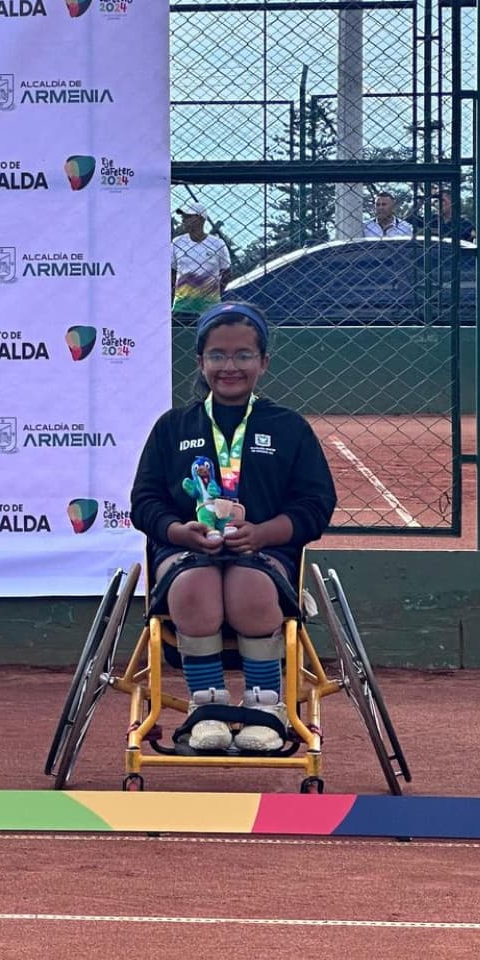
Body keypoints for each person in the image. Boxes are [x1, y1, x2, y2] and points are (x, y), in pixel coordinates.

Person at [130, 303, 337, 753]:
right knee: (194, 584)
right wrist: (179, 532)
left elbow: (316, 505)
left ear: (264, 362)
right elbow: (144, 504)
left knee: (249, 585)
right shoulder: (172, 428)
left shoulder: (289, 429)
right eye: (218, 355)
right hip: (187, 552)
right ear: (200, 361)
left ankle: (266, 707)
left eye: (244, 355)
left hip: (263, 554)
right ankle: (209, 705)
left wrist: (262, 534)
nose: (230, 367)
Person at [169, 203, 231, 318]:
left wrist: (216, 294)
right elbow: (172, 272)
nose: (183, 220)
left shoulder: (217, 244)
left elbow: (227, 273)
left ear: (200, 219)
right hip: (182, 307)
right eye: (183, 217)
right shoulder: (177, 243)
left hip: (209, 308)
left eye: (188, 217)